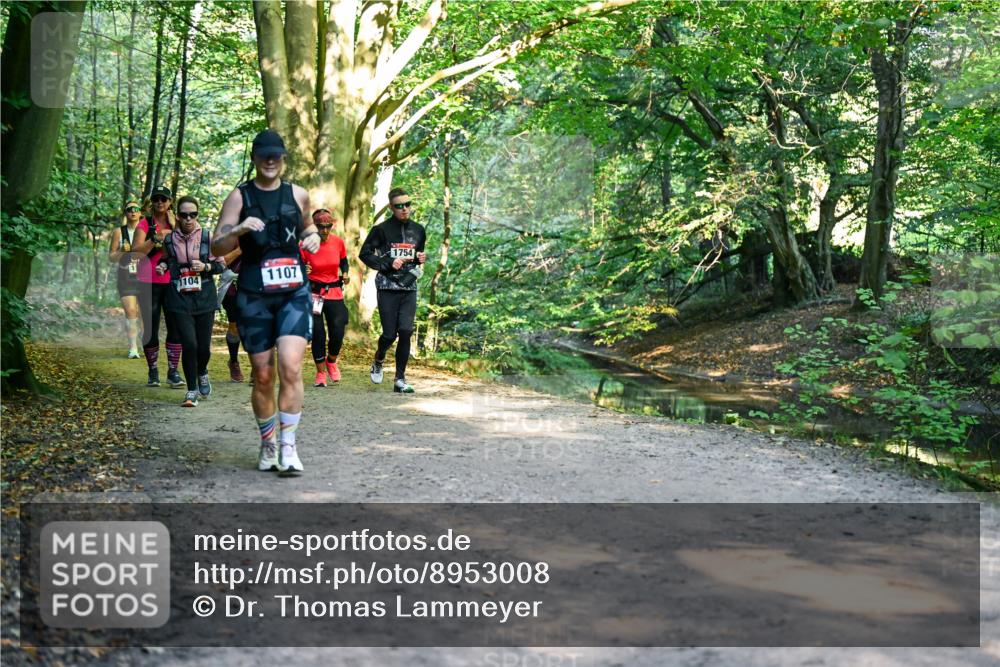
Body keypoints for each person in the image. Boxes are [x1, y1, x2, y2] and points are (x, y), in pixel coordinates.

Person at [211, 129, 320, 475]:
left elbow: (306, 227)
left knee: (290, 366)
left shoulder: (298, 194)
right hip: (254, 295)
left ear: (284, 158)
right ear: (256, 159)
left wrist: (313, 236)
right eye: (264, 155)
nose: (270, 161)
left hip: (293, 293)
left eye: (276, 155)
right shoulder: (239, 197)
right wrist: (239, 230)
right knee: (262, 374)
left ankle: (289, 447)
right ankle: (268, 442)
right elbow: (216, 247)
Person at [158, 196, 226, 407]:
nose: (188, 219)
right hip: (179, 297)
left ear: (198, 215)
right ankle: (191, 391)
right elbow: (165, 258)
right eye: (184, 215)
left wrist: (205, 267)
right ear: (177, 215)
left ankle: (202, 371)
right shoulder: (169, 239)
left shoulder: (207, 237)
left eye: (193, 215)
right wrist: (162, 266)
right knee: (189, 344)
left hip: (204, 297)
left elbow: (221, 265)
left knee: (203, 348)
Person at [359, 187, 426, 393]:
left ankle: (400, 379)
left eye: (408, 205)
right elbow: (365, 254)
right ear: (391, 207)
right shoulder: (381, 229)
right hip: (388, 286)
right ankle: (379, 359)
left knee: (405, 331)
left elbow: (416, 255)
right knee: (389, 334)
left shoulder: (419, 230)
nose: (405, 209)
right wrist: (388, 262)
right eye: (399, 206)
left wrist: (420, 259)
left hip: (409, 286)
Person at [132, 185, 183, 388]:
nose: (160, 202)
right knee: (150, 327)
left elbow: (187, 247)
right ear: (151, 202)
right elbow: (135, 254)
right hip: (148, 281)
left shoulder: (179, 223)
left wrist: (175, 227)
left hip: (173, 281)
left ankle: (173, 371)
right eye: (156, 199)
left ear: (170, 202)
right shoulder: (144, 225)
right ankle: (153, 371)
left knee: (175, 326)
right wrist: (156, 238)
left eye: (164, 199)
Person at [301, 208, 350, 387]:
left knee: (338, 329)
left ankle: (331, 361)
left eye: (328, 226)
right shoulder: (305, 245)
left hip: (334, 292)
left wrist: (345, 273)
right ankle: (320, 373)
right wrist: (302, 271)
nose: (325, 230)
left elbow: (344, 260)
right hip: (313, 293)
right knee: (318, 333)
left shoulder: (338, 242)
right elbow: (297, 267)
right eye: (321, 227)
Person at [108, 200, 144, 358]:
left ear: (141, 212)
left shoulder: (146, 231)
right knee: (130, 311)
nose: (133, 212)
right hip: (126, 275)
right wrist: (122, 250)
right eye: (129, 209)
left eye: (136, 209)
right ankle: (133, 348)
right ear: (125, 213)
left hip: (144, 276)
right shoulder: (118, 232)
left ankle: (146, 344)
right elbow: (111, 257)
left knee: (144, 314)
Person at [217, 247, 245, 383]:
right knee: (235, 326)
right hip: (232, 286)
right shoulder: (227, 236)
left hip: (254, 285)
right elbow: (220, 262)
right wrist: (240, 250)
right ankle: (233, 362)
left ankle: (257, 367)